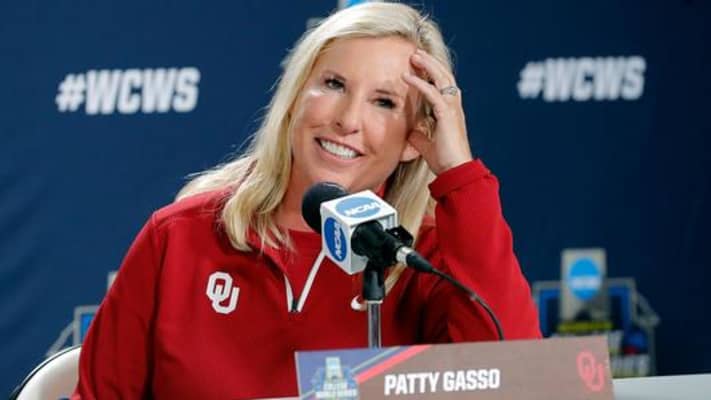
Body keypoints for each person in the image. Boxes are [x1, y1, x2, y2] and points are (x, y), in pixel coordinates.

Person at [73, 2, 541, 399]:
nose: (347, 120)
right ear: (296, 96)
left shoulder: (426, 260)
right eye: (334, 84)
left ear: (416, 137)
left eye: (384, 102)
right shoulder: (178, 236)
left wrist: (459, 174)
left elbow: (515, 380)